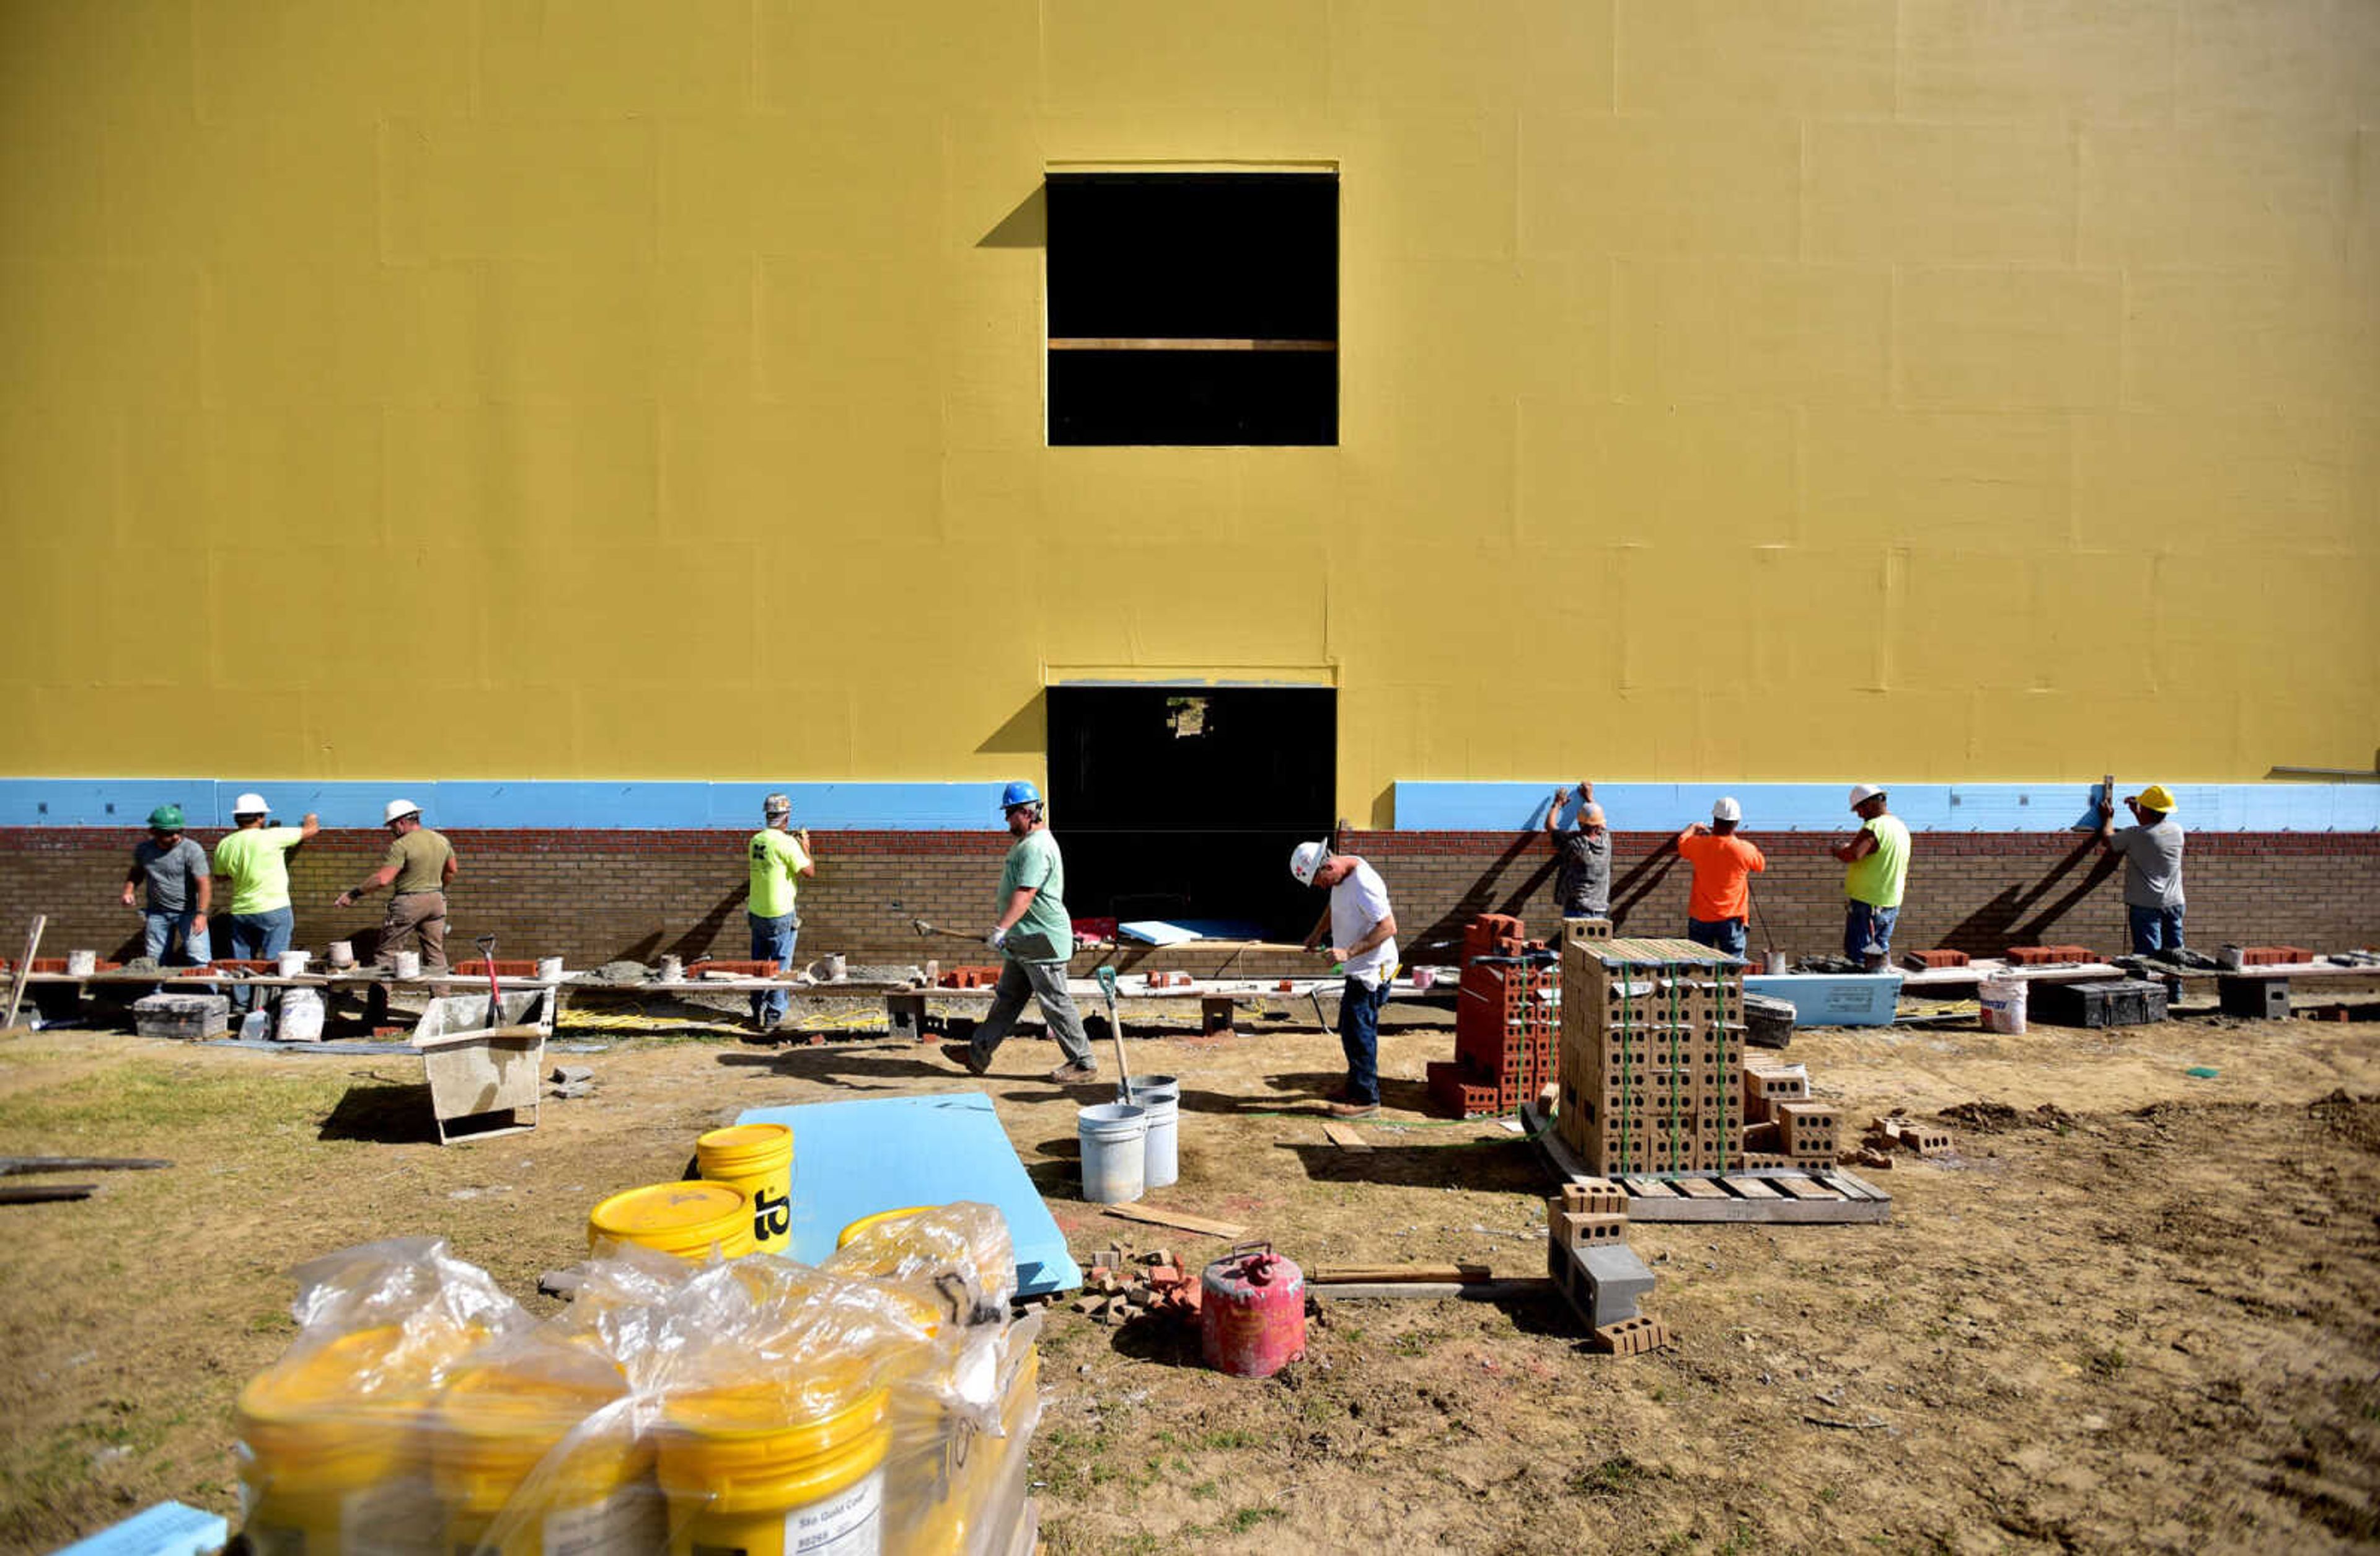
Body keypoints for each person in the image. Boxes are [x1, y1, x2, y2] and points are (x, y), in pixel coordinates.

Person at [946, 781, 1098, 1084]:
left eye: (1009, 813)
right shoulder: (1025, 843)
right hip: (1025, 941)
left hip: (1042, 942)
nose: (1006, 819)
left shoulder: (1038, 847)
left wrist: (1001, 929)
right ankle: (978, 1053)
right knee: (1008, 998)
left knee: (1055, 1001)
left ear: (1027, 813)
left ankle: (1083, 1063)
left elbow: (1026, 893)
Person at [1290, 839, 1400, 1120]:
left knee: (1358, 1030)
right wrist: (1318, 933)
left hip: (1373, 969)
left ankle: (1366, 1099)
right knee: (1352, 1027)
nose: (1322, 887)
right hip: (1359, 966)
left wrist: (1347, 952)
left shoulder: (1364, 881)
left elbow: (1388, 927)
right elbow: (1334, 907)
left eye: (1320, 881)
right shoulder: (1342, 873)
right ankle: (1356, 1087)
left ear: (1327, 865)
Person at [213, 792, 320, 1011]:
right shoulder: (273, 836)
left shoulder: (225, 844)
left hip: (241, 911)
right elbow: (311, 831)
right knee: (274, 961)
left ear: (237, 818)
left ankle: (242, 1006)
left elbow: (221, 876)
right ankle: (269, 1006)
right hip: (274, 909)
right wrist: (311, 815)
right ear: (261, 818)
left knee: (241, 963)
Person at [335, 799, 457, 972]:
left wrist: (353, 894)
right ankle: (441, 999)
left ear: (401, 822)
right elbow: (452, 870)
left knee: (387, 954)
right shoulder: (441, 840)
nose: (392, 831)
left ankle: (380, 1000)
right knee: (435, 953)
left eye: (392, 826)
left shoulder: (401, 845)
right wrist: (438, 889)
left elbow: (383, 879)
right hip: (437, 901)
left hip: (409, 903)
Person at [745, 793, 815, 1032]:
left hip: (757, 911)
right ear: (785, 818)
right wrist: (805, 847)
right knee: (781, 966)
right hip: (780, 913)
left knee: (759, 964)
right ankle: (774, 1015)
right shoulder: (787, 844)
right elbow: (809, 872)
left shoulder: (755, 841)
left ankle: (756, 1009)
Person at [2096, 780, 2185, 954]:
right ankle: (2174, 983)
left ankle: (2146, 983)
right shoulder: (2176, 830)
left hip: (2147, 905)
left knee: (2147, 955)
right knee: (2176, 955)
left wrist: (2108, 818)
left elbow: (2109, 840)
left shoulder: (2135, 835)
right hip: (2175, 902)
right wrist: (2139, 812)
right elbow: (2151, 831)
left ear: (2147, 810)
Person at [121, 805, 211, 969]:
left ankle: (209, 993)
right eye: (169, 833)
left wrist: (202, 914)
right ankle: (156, 994)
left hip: (189, 912)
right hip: (158, 913)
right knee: (155, 960)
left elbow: (203, 883)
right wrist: (129, 890)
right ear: (154, 832)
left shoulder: (192, 850)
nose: (176, 837)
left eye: (179, 831)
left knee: (199, 958)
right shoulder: (144, 850)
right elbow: (136, 872)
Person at [1832, 783, 1911, 968]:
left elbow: (1854, 855)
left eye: (1859, 809)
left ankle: (1863, 992)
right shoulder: (1900, 827)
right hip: (1890, 901)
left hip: (1868, 903)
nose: (1859, 815)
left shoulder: (1874, 827)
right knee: (1879, 951)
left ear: (1870, 804)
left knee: (1861, 955)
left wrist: (1837, 850)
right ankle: (1881, 989)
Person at [1675, 798, 1763, 957]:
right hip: (1732, 918)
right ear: (1736, 823)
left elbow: (1682, 844)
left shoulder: (1698, 845)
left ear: (1714, 820)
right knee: (1732, 968)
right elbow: (1760, 865)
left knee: (1699, 967)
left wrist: (1693, 828)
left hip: (1701, 916)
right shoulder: (1745, 849)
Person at [1545, 780, 1611, 919]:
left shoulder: (1575, 844)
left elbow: (1550, 826)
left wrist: (1557, 804)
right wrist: (1589, 797)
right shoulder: (1606, 841)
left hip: (1578, 911)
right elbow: (1597, 819)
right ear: (1599, 826)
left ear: (1580, 824)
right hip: (1601, 912)